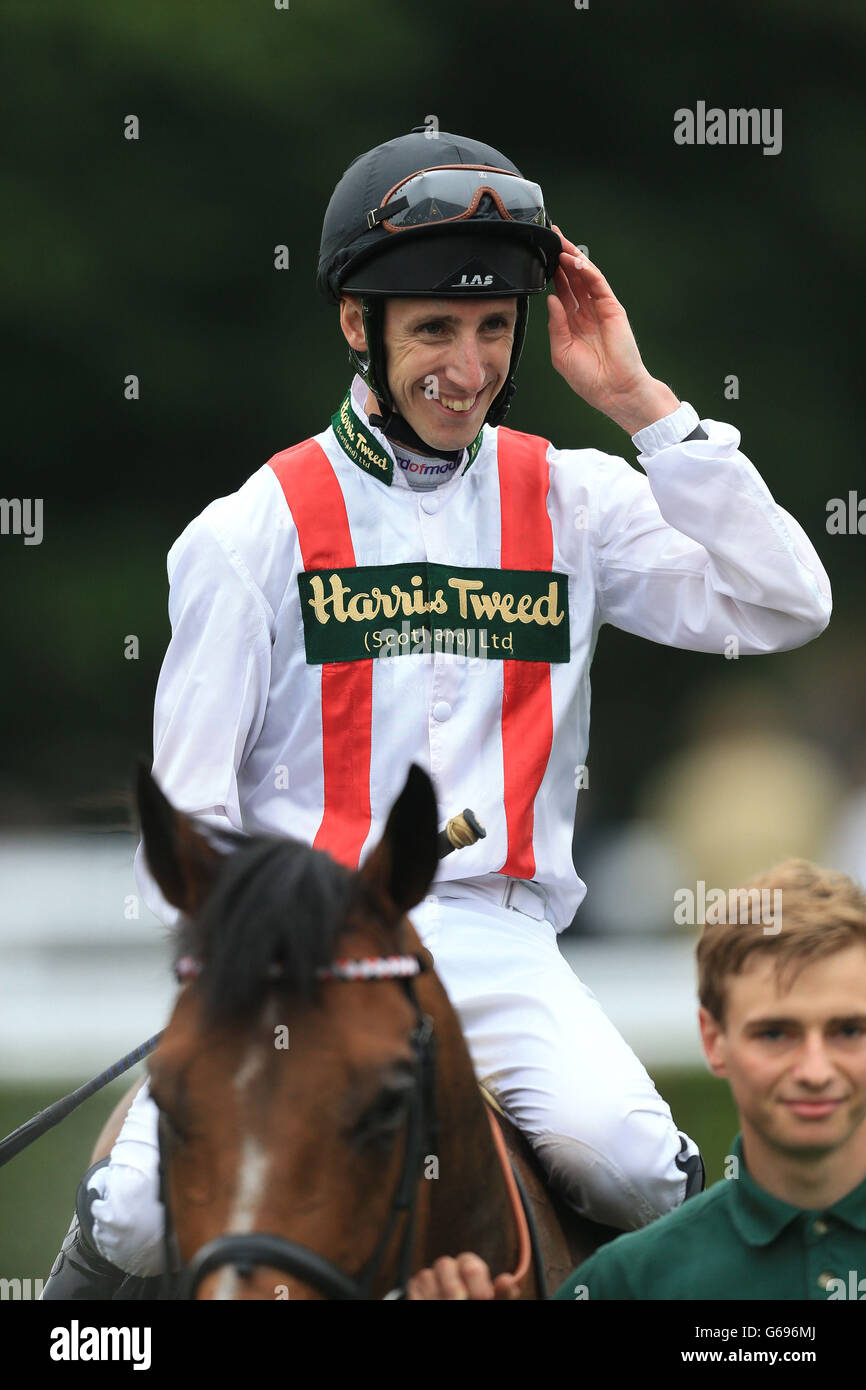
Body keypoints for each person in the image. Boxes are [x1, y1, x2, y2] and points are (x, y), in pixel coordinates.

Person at [42, 127, 831, 1297]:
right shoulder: (245, 533)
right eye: (432, 331)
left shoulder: (576, 499)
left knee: (636, 1170)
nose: (465, 368)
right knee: (133, 1218)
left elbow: (787, 602)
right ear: (358, 326)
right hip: (304, 961)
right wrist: (253, 964)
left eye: (491, 328)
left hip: (492, 941)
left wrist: (641, 404)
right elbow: (193, 816)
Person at [407, 859, 866, 1300]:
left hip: (501, 921)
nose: (814, 1071)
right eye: (774, 1034)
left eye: (848, 1030)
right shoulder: (623, 1281)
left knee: (623, 1153)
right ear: (713, 1039)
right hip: (349, 925)